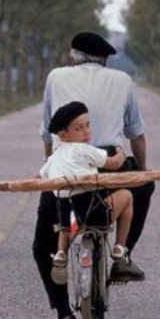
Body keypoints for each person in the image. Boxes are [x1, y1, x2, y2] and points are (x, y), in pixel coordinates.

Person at [33, 30, 155, 319]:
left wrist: (54, 172)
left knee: (42, 243)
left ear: (73, 57)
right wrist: (140, 169)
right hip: (109, 162)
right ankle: (122, 255)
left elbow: (48, 135)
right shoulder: (123, 80)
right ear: (104, 59)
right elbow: (136, 135)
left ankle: (64, 315)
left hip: (67, 169)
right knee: (144, 185)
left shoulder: (56, 77)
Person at [39, 101, 133, 286]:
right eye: (79, 128)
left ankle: (61, 253)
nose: (87, 131)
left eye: (88, 126)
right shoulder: (84, 150)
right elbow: (114, 164)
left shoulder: (54, 157)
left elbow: (42, 176)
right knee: (127, 196)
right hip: (95, 214)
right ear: (63, 135)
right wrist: (121, 152)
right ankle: (119, 248)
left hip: (71, 220)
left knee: (66, 219)